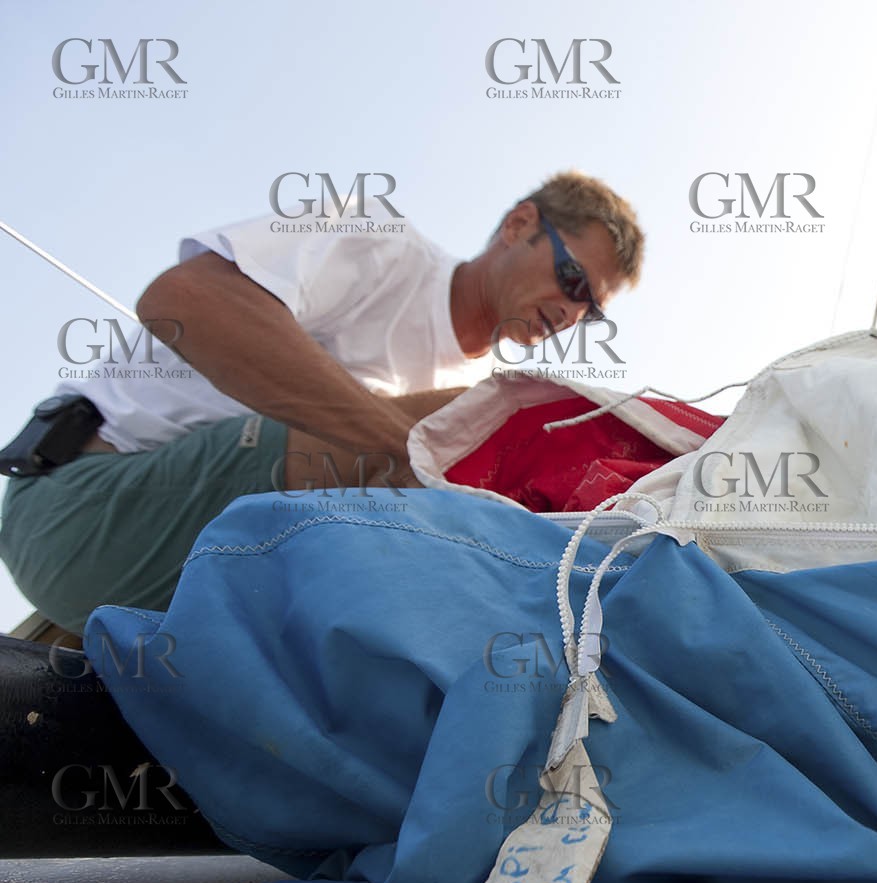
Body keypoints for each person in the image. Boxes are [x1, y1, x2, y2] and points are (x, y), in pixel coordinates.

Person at [0, 171, 644, 633]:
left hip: (194, 577)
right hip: (80, 507)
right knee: (499, 419)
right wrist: (416, 454)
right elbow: (184, 302)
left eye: (589, 311)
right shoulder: (380, 244)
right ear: (518, 225)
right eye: (571, 279)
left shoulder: (456, 374)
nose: (570, 312)